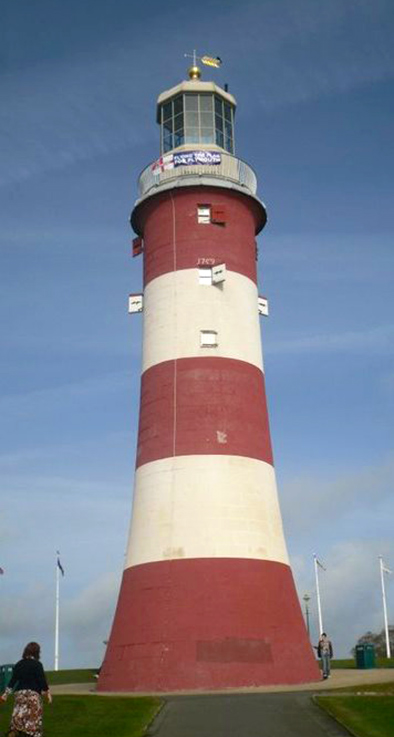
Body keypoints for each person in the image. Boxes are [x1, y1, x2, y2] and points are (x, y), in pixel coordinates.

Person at [0, 641, 52, 737]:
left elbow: (13, 681)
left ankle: (14, 731)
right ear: (37, 653)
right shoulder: (37, 665)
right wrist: (48, 694)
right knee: (33, 722)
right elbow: (42, 681)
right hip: (33, 695)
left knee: (18, 717)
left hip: (20, 695)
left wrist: (5, 695)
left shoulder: (19, 664)